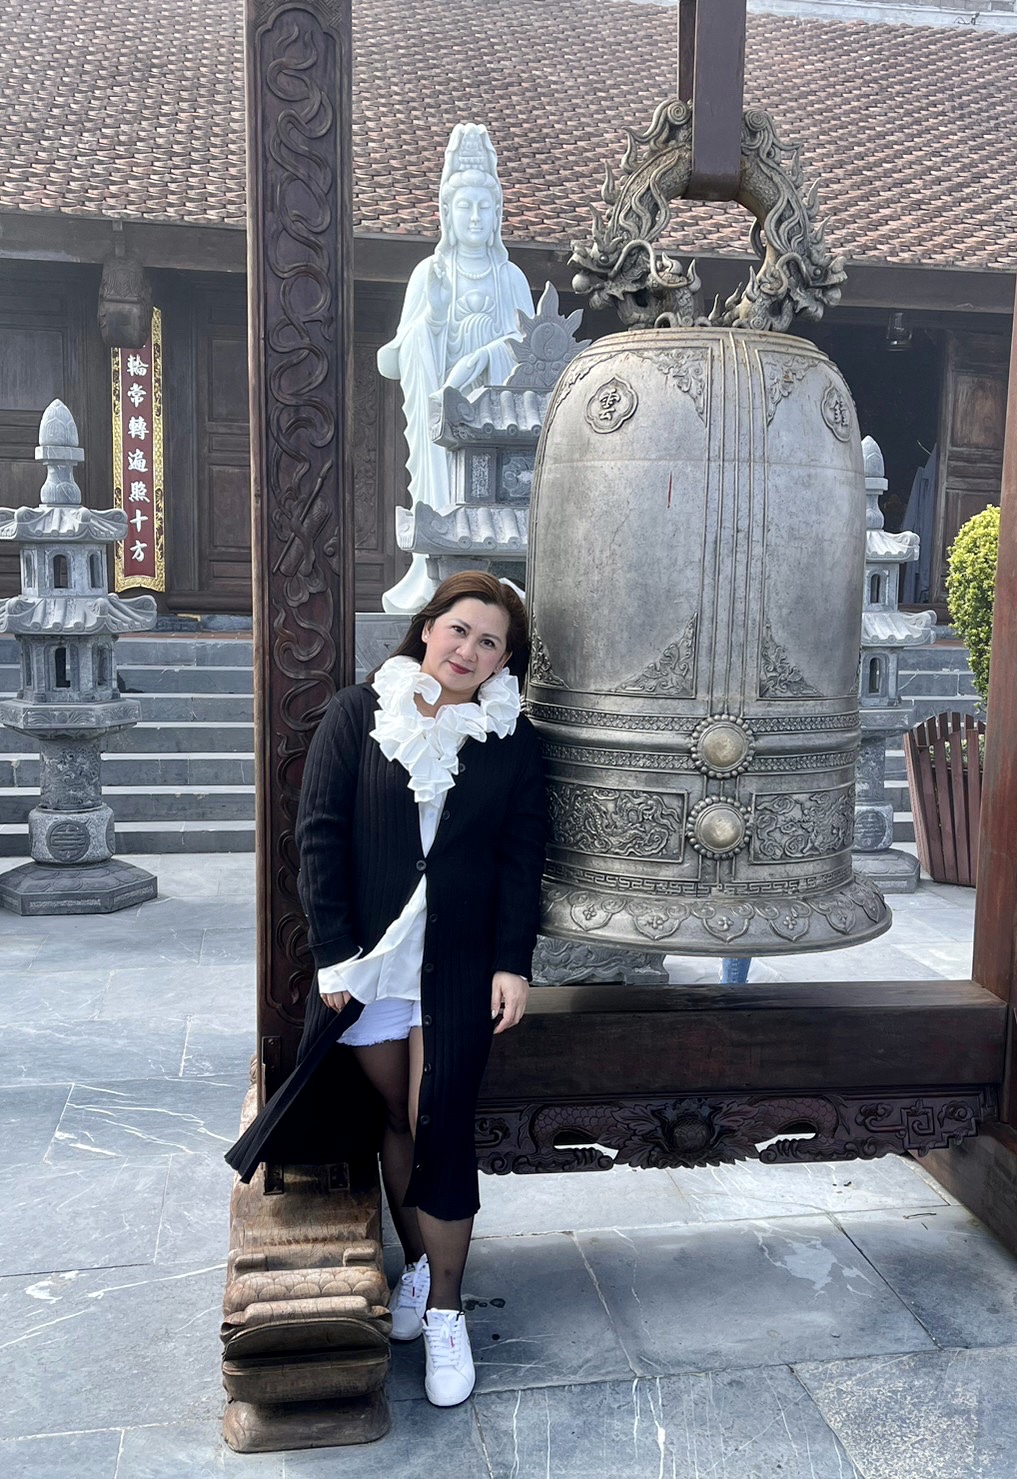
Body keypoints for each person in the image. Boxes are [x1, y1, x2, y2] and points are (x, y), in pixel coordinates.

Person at [225, 571, 547, 1408]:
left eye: (489, 642)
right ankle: (419, 1269)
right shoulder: (358, 713)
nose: (467, 650)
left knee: (436, 1119)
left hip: (460, 964)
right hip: (374, 965)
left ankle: (445, 1309)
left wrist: (512, 962)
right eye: (458, 629)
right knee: (399, 1122)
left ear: (503, 661)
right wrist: (334, 955)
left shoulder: (510, 736)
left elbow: (521, 858)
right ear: (427, 626)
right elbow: (319, 836)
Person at [377, 123, 534, 616]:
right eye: (465, 205)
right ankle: (435, 575)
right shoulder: (430, 274)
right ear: (447, 212)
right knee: (447, 496)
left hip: (496, 422)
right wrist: (437, 316)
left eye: (485, 206)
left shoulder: (511, 278)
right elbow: (398, 357)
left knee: (497, 507)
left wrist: (486, 355)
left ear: (498, 214)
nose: (475, 217)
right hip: (445, 426)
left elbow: (530, 352)